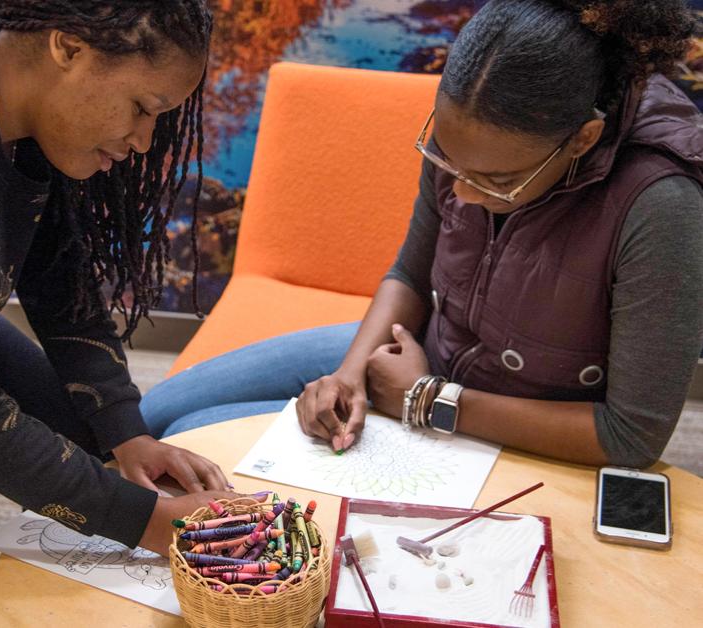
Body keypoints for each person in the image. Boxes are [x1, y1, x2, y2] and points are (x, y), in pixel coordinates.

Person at [141, 0, 703, 469]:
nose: (461, 194)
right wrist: (350, 375)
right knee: (151, 417)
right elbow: (411, 272)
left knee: (190, 435)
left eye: (496, 181)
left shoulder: (662, 206)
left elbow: (631, 437)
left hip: (520, 426)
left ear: (583, 139)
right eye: (448, 162)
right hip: (420, 358)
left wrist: (429, 401)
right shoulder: (471, 134)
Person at [0, 1, 240, 625]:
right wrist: (145, 523)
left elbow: (59, 270)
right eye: (143, 109)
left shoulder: (21, 86)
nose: (144, 141)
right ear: (69, 48)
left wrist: (126, 428)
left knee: (90, 428)